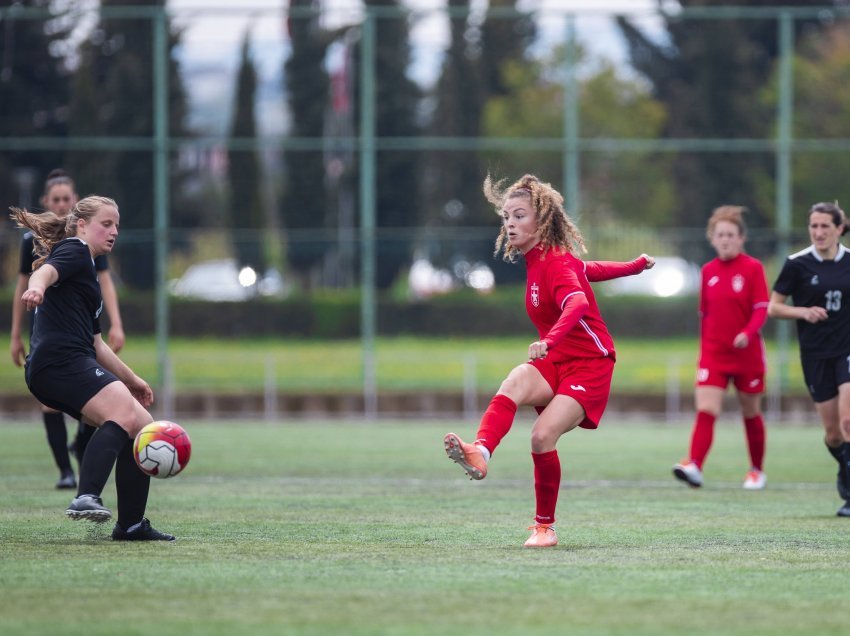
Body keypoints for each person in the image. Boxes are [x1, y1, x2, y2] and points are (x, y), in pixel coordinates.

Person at [443, 174, 655, 548]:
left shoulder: (554, 263)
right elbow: (590, 271)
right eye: (506, 216)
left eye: (519, 215)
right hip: (558, 360)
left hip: (590, 363)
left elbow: (578, 301)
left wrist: (550, 340)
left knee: (542, 437)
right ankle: (481, 452)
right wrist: (635, 265)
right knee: (513, 382)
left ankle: (545, 528)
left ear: (541, 221)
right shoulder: (544, 261)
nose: (510, 222)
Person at [10, 196, 173, 540]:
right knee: (123, 414)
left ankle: (130, 524)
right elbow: (44, 272)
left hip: (66, 364)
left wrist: (133, 380)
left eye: (117, 225)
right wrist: (35, 289)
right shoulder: (75, 249)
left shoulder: (89, 276)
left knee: (143, 427)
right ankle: (87, 496)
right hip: (59, 363)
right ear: (82, 225)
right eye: (106, 224)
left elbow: (97, 345)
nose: (114, 232)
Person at [9, 169, 126, 489]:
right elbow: (32, 279)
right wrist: (16, 333)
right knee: (106, 408)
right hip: (52, 338)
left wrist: (115, 323)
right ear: (47, 201)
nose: (61, 203)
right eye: (55, 199)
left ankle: (83, 460)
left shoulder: (91, 246)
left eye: (66, 198)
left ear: (75, 202)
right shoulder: (55, 245)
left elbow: (104, 283)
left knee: (107, 408)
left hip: (78, 340)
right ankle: (68, 473)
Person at [672, 206, 770, 490]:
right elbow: (705, 315)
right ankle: (695, 466)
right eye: (720, 235)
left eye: (730, 234)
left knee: (750, 412)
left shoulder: (753, 268)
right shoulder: (708, 271)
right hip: (714, 355)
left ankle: (756, 470)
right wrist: (704, 354)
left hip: (747, 356)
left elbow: (761, 308)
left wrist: (747, 334)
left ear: (741, 238)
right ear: (712, 239)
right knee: (706, 409)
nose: (725, 239)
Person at [768, 201, 850, 517]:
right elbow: (773, 307)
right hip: (815, 355)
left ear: (839, 229)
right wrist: (802, 311)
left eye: (825, 226)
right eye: (813, 226)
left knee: (847, 421)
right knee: (833, 434)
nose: (818, 232)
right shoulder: (797, 264)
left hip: (846, 351)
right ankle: (845, 471)